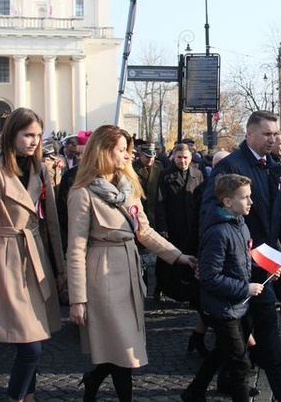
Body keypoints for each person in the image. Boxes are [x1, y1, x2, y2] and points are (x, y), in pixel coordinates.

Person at [66, 125, 196, 402]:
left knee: (122, 342)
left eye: (128, 150)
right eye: (122, 150)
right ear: (103, 151)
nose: (128, 156)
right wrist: (77, 299)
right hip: (101, 273)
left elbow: (144, 231)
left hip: (130, 270)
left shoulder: (129, 189)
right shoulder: (81, 193)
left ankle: (93, 380)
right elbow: (75, 248)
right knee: (122, 345)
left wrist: (178, 256)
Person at [201, 110, 281, 402]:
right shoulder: (231, 165)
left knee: (252, 329)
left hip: (265, 263)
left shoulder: (274, 165)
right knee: (253, 330)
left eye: (275, 134)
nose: (273, 139)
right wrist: (210, 256)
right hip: (236, 265)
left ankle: (205, 387)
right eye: (267, 134)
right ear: (250, 135)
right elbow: (208, 212)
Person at [0, 108, 66, 401]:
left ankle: (29, 396)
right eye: (27, 135)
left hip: (36, 259)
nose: (34, 141)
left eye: (38, 135)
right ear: (11, 135)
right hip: (6, 262)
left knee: (36, 338)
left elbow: (52, 223)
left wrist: (61, 269)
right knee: (30, 346)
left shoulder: (41, 170)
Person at [181, 174, 264, 402]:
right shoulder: (218, 232)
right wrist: (245, 288)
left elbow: (242, 259)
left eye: (250, 196)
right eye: (245, 198)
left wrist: (266, 268)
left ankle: (194, 391)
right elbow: (209, 278)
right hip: (221, 307)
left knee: (220, 351)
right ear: (227, 202)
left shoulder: (240, 224)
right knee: (240, 361)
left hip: (237, 303)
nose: (250, 202)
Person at [154, 143, 204, 302]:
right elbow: (160, 203)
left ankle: (188, 291)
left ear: (191, 158)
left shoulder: (198, 174)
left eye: (185, 158)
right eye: (179, 157)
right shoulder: (165, 175)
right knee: (170, 259)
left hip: (192, 224)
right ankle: (164, 289)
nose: (182, 161)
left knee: (190, 257)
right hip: (173, 224)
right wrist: (162, 227)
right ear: (173, 157)